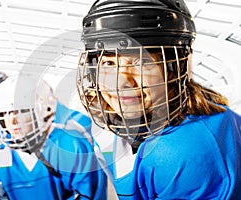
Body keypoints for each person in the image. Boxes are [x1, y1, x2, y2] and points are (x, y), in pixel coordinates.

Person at [76, 0, 241, 199]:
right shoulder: (135, 123)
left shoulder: (182, 152)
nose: (121, 81)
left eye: (141, 62)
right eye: (109, 63)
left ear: (173, 70)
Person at [0, 74, 107, 199]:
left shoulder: (71, 147)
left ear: (42, 110)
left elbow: (88, 195)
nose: (12, 120)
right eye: (4, 113)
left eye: (20, 111)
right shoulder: (0, 158)